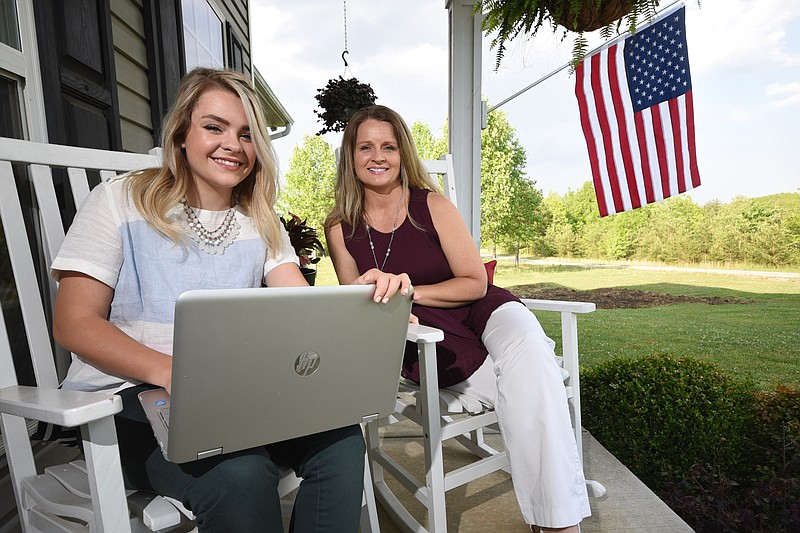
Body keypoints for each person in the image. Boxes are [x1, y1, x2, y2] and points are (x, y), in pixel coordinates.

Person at [51, 68, 408, 533]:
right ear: (181, 133)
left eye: (246, 134)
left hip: (240, 394)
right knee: (241, 475)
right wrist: (168, 371)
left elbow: (303, 312)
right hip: (132, 402)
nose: (232, 145)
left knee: (341, 444)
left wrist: (359, 295)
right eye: (214, 127)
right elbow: (75, 323)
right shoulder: (119, 201)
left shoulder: (259, 222)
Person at [324, 104, 590, 532]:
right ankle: (558, 515)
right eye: (366, 147)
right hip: (423, 332)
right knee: (528, 384)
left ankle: (557, 521)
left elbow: (474, 283)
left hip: (482, 308)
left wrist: (410, 292)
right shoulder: (339, 225)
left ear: (402, 153)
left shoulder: (431, 204)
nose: (378, 156)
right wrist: (388, 312)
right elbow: (354, 299)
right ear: (350, 156)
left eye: (389, 146)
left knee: (529, 351)